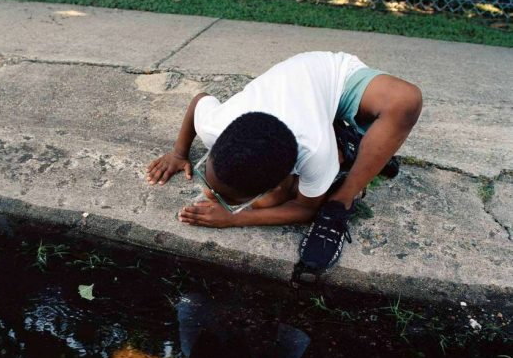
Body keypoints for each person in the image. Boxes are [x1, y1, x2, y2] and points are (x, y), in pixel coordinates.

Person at [146, 51, 422, 271]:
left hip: (330, 78)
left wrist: (236, 218)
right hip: (300, 104)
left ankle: (344, 196)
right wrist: (179, 153)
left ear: (283, 177)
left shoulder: (314, 150)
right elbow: (199, 100)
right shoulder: (214, 126)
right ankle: (354, 144)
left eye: (229, 198)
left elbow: (305, 209)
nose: (208, 193)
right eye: (207, 178)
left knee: (406, 100)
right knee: (276, 200)